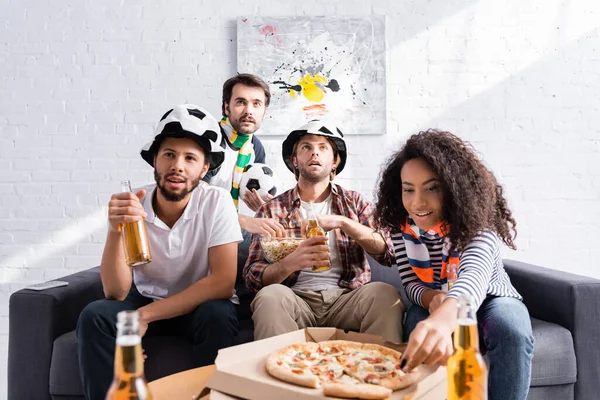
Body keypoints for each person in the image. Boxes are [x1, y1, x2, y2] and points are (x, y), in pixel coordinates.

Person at [76, 105, 242, 400]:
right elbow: (115, 292)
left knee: (218, 313)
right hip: (147, 297)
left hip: (199, 307)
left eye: (190, 158)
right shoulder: (135, 203)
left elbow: (222, 282)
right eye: (169, 155)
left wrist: (144, 316)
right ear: (155, 160)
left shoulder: (216, 202)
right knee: (95, 315)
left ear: (204, 169)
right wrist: (115, 230)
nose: (178, 165)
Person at [373, 129, 534, 400]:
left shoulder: (479, 224)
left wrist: (444, 317)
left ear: (453, 187)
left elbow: (474, 277)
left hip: (491, 299)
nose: (417, 202)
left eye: (432, 188)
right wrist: (432, 297)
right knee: (414, 318)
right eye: (408, 190)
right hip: (438, 300)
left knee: (511, 328)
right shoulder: (401, 230)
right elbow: (410, 283)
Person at [243, 120, 404, 342]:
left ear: (335, 161)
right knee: (269, 297)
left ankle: (381, 372)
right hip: (295, 300)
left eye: (323, 147)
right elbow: (253, 279)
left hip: (347, 299)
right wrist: (292, 262)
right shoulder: (271, 209)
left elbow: (389, 252)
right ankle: (277, 374)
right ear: (295, 161)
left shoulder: (354, 202)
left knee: (385, 294)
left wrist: (344, 223)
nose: (314, 153)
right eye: (306, 147)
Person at [203, 73, 285, 237]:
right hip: (200, 228)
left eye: (256, 104)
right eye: (241, 102)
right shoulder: (210, 141)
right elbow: (192, 202)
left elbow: (256, 193)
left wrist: (262, 207)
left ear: (264, 111)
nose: (249, 111)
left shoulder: (255, 147)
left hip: (229, 225)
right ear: (227, 107)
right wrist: (245, 222)